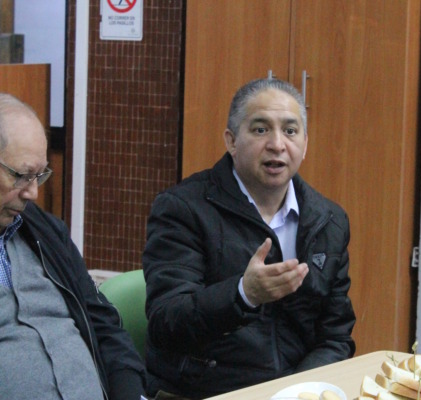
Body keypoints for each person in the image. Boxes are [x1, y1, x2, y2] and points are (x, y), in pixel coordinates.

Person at [143, 78, 356, 399]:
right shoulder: (183, 209)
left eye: (290, 131)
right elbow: (167, 323)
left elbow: (335, 337)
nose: (277, 144)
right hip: (205, 391)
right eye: (260, 129)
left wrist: (297, 391)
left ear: (305, 144)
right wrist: (244, 294)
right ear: (231, 141)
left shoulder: (329, 221)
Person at [0, 93, 147, 400]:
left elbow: (105, 326)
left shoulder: (46, 232)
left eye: (39, 176)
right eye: (22, 176)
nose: (33, 193)